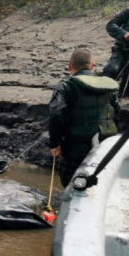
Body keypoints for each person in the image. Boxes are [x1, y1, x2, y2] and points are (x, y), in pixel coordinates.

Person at [48, 49, 120, 187]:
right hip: (106, 145)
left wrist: (54, 143)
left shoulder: (65, 86)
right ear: (92, 65)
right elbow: (116, 113)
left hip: (76, 146)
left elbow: (55, 114)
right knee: (102, 180)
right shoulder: (110, 86)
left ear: (70, 66)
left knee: (72, 183)